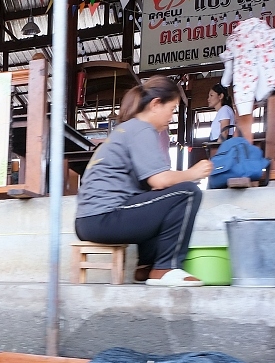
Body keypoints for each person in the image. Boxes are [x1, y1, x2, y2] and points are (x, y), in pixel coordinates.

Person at [75, 76, 213, 287]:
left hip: (89, 220)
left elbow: (153, 188)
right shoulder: (141, 129)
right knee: (187, 192)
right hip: (103, 217)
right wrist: (192, 173)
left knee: (154, 199)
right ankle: (166, 268)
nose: (172, 116)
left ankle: (146, 267)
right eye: (172, 108)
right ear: (156, 104)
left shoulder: (126, 129)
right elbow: (160, 180)